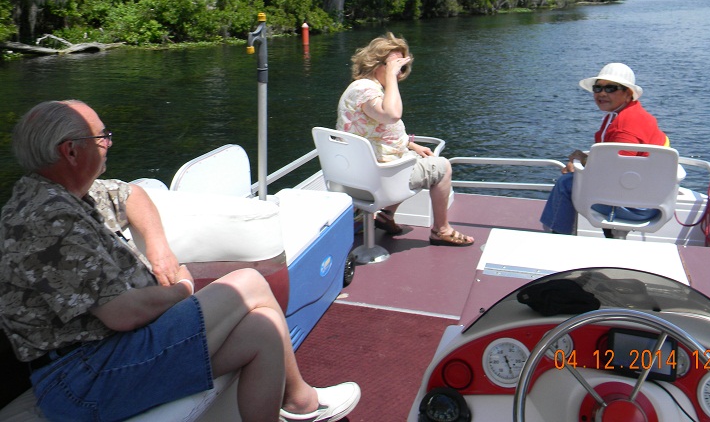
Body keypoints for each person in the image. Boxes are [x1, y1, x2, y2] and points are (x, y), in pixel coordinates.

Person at [0, 100, 360, 422]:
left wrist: (161, 252)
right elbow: (122, 314)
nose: (109, 143)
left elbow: (133, 194)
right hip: (83, 380)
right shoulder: (47, 218)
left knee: (263, 329)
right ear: (71, 152)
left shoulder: (69, 192)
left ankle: (300, 404)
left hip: (109, 359)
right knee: (248, 283)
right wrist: (182, 288)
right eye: (101, 138)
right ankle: (301, 401)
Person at [337, 33, 474, 246]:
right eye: (394, 66)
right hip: (377, 178)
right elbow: (391, 115)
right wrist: (391, 78)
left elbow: (375, 131)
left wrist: (411, 143)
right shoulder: (366, 90)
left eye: (402, 68)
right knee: (442, 167)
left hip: (358, 172)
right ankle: (441, 230)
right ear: (376, 64)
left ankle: (386, 215)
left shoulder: (362, 88)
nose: (399, 73)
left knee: (413, 156)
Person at [539, 63, 670, 235]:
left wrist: (580, 167)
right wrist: (584, 161)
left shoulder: (625, 125)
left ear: (628, 94)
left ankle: (557, 238)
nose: (601, 93)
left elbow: (617, 173)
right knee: (576, 180)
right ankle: (609, 238)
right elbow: (619, 164)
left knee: (567, 183)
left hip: (636, 205)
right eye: (597, 88)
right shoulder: (629, 114)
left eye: (610, 88)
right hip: (644, 197)